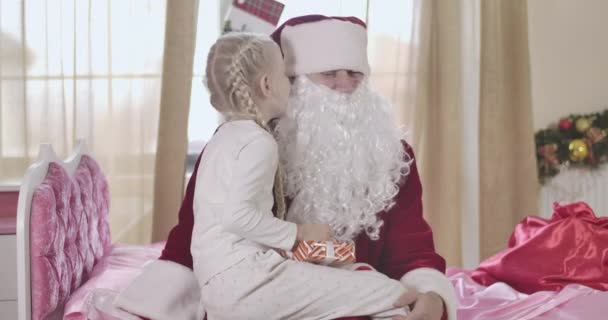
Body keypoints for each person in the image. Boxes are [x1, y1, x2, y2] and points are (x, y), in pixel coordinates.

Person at [115, 15, 457, 320]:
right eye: (328, 74)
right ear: (290, 82)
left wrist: (434, 298)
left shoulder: (392, 156)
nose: (345, 84)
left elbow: (412, 249)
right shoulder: (242, 145)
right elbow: (190, 242)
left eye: (355, 72)